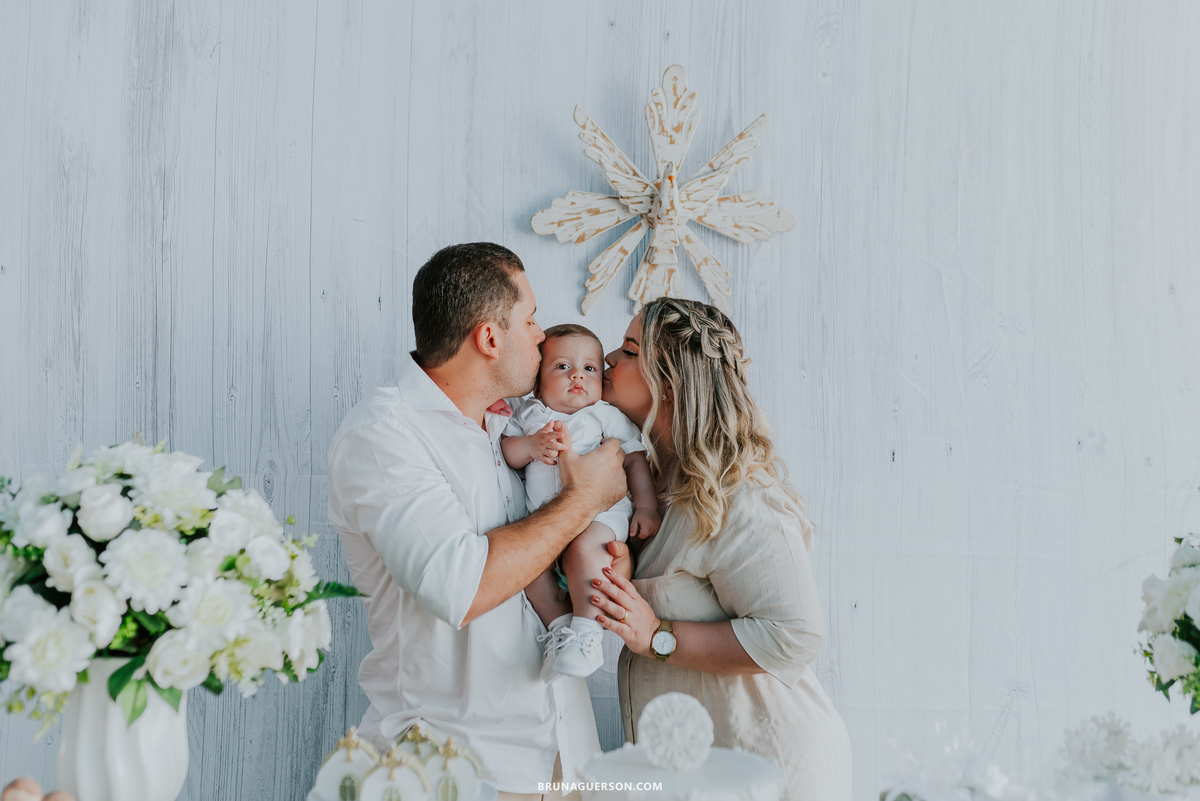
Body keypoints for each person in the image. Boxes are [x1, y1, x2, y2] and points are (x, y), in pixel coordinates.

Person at [326, 243, 630, 799]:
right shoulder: (385, 435)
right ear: (489, 339)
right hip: (456, 765)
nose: (543, 337)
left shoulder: (506, 426)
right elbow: (460, 587)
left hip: (561, 751)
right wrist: (582, 501)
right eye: (531, 320)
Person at [588, 298, 854, 801]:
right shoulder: (643, 485)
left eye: (626, 350)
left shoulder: (738, 496)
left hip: (770, 767)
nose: (606, 359)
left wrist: (658, 637)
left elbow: (795, 634)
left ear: (667, 385)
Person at [501, 324, 660, 681]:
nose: (578, 375)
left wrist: (647, 507)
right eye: (562, 367)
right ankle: (561, 628)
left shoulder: (604, 414)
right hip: (546, 522)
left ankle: (588, 634)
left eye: (590, 368)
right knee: (527, 567)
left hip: (601, 517)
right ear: (538, 382)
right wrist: (530, 446)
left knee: (587, 552)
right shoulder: (528, 414)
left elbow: (635, 460)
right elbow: (508, 452)